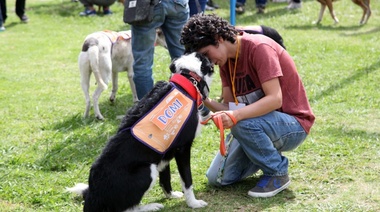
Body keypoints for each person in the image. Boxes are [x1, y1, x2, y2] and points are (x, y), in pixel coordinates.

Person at [181, 14, 315, 198]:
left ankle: (277, 172)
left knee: (240, 122)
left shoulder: (259, 47)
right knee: (218, 179)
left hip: (293, 124)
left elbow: (275, 99)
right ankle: (260, 154)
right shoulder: (225, 62)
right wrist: (201, 97)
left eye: (206, 54)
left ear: (219, 39)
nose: (208, 61)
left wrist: (235, 116)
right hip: (255, 125)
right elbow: (228, 108)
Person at [128, 0, 189, 100]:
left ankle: (147, 111)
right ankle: (186, 105)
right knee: (183, 59)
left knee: (143, 63)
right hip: (177, 3)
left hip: (145, 5)